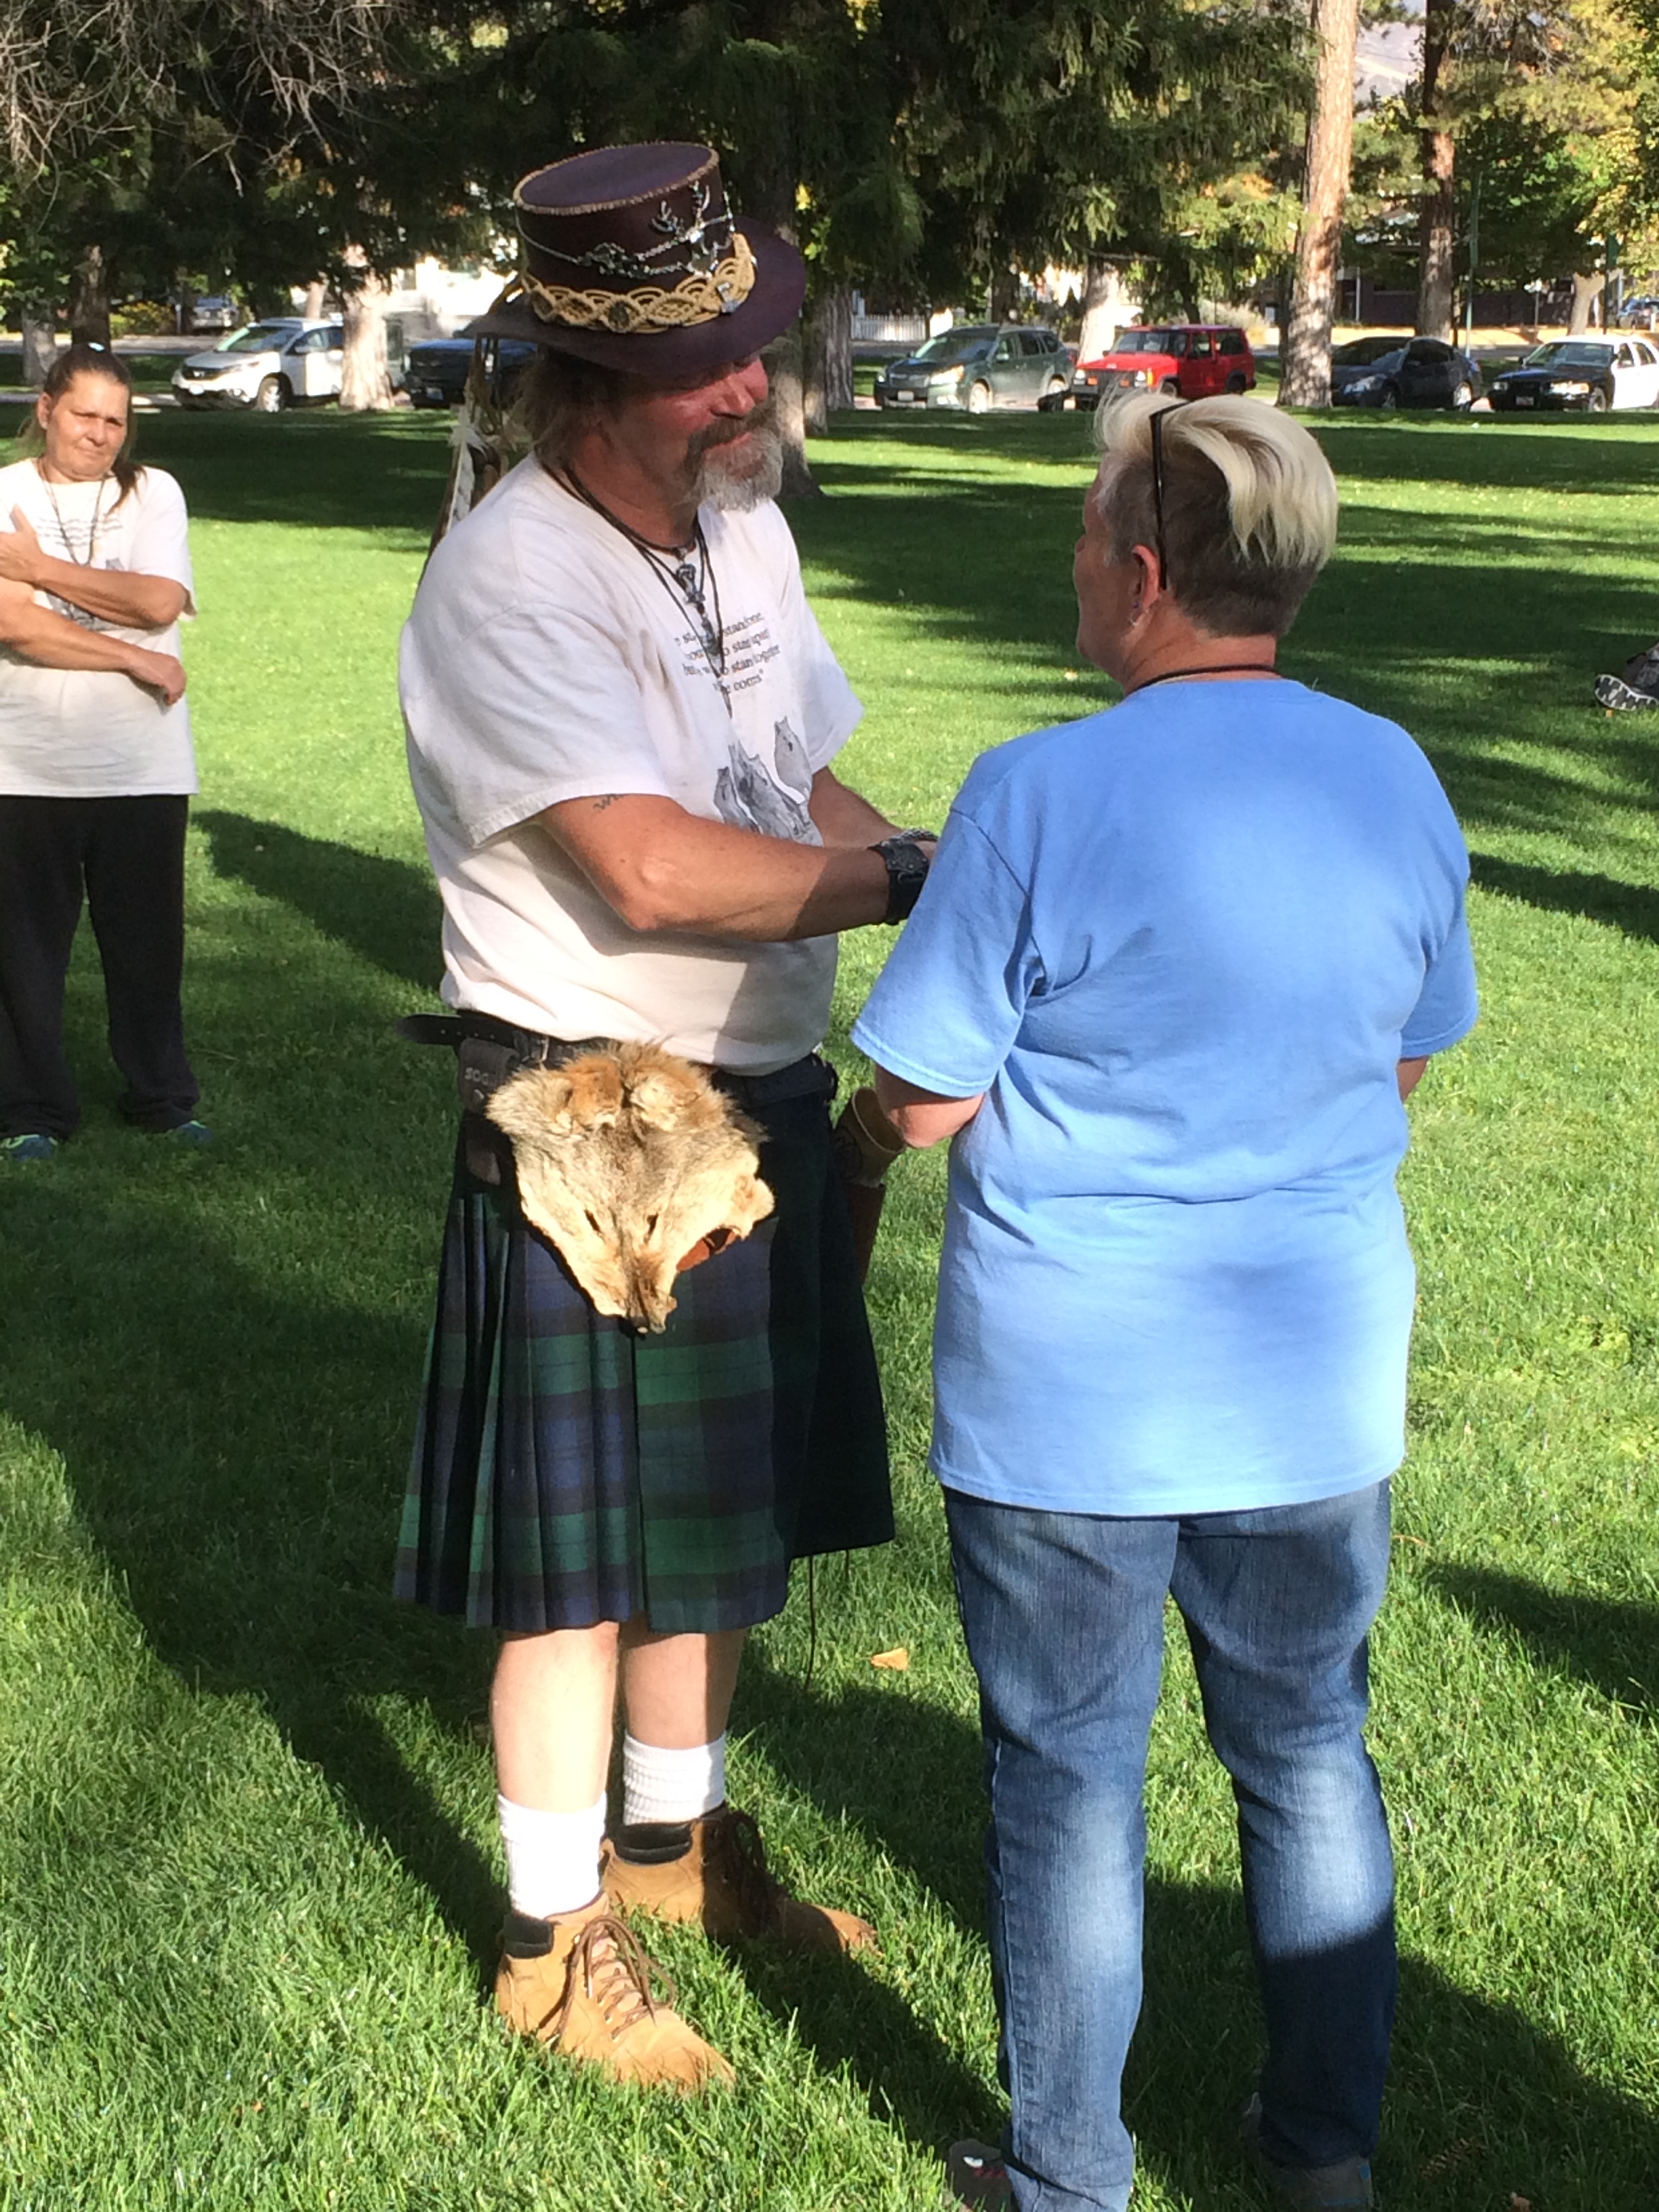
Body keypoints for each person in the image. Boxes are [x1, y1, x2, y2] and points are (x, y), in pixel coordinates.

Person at [853, 393, 1478, 2212]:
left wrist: (864, 1141)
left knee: (1069, 1786)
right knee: (1304, 1751)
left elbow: (926, 1093)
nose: (1071, 571)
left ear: (1143, 574)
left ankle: (1067, 2179)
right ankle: (1324, 2161)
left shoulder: (1042, 787)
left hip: (1074, 1389)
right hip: (1312, 1375)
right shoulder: (1397, 773)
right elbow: (1406, 1053)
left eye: (1080, 543)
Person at [398, 142, 930, 2091]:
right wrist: (922, 886)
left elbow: (811, 794)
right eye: (713, 367)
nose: (753, 392)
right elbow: (651, 872)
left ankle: (676, 1855)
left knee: (717, 1538)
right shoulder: (508, 581)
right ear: (592, 389)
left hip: (763, 1090)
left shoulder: (744, 531)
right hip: (601, 1121)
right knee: (583, 1570)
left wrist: (955, 869)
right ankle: (553, 1944)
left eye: (758, 350)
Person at [0, 342, 208, 1161]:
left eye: (115, 421)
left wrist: (40, 568)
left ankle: (161, 1096)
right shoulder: (2, 492)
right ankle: (30, 1111)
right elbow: (12, 624)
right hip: (24, 762)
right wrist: (134, 654)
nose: (98, 434)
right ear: (46, 407)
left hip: (141, 766)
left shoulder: (154, 494)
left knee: (148, 949)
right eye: (84, 413)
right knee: (22, 957)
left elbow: (160, 597)